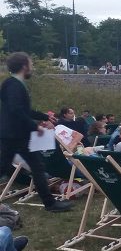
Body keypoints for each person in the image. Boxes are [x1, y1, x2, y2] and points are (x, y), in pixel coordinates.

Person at [0, 53, 71, 212]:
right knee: (5, 168)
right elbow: (16, 110)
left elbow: (24, 110)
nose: (32, 67)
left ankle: (50, 204)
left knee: (36, 167)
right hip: (13, 135)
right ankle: (50, 204)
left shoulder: (15, 84)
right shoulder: (13, 85)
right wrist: (35, 127)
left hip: (16, 135)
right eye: (31, 64)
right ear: (24, 66)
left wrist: (45, 116)